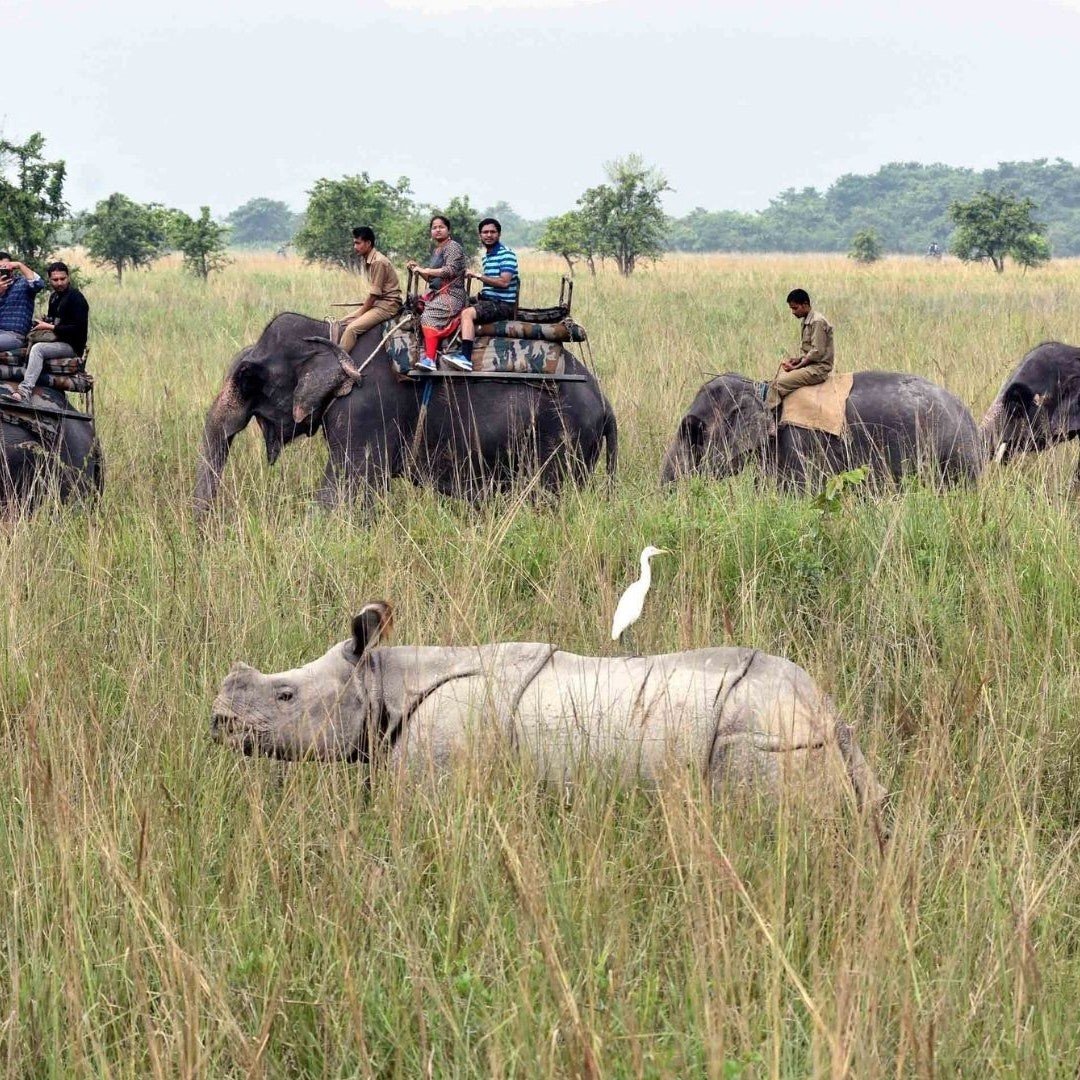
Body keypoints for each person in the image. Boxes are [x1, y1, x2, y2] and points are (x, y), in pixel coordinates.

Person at [442, 218, 519, 372]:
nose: (488, 235)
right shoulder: (488, 256)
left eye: (492, 232)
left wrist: (478, 276)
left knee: (467, 313)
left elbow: (504, 282)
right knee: (455, 302)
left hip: (502, 304)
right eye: (485, 232)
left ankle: (465, 357)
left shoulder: (506, 254)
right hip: (489, 299)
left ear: (499, 234)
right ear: (480, 235)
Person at [14, 262, 89, 402]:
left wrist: (50, 327)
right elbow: (55, 321)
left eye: (63, 279)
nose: (60, 283)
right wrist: (46, 322)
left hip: (71, 345)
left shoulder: (76, 297)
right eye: (55, 280)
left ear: (68, 278)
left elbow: (78, 329)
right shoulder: (54, 297)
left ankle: (24, 390)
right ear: (49, 280)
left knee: (38, 349)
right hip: (57, 339)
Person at [406, 215, 468, 372]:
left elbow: (450, 270)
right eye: (434, 228)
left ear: (448, 230)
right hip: (437, 293)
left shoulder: (453, 247)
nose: (437, 230)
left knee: (428, 316)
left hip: (452, 295)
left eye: (441, 227)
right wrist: (418, 269)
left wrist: (425, 270)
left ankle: (430, 358)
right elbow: (432, 277)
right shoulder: (437, 250)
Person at [337, 227, 403, 354]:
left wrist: (360, 312)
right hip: (379, 303)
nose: (355, 246)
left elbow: (374, 295)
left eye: (358, 243)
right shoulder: (370, 259)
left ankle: (340, 364)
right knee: (341, 322)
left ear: (368, 243)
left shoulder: (378, 261)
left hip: (387, 306)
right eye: (354, 243)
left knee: (351, 329)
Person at [765, 288, 834, 408]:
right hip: (811, 366)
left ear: (805, 305)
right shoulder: (806, 320)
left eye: (795, 308)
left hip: (818, 370)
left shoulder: (817, 321)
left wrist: (796, 367)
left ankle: (768, 418)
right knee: (778, 377)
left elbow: (817, 352)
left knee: (777, 385)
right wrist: (798, 359)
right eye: (791, 308)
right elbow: (810, 351)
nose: (793, 312)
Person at [0, 253, 46, 352]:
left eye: (6, 267)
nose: (3, 271)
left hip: (14, 335)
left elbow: (39, 284)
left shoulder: (23, 283)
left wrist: (20, 265)